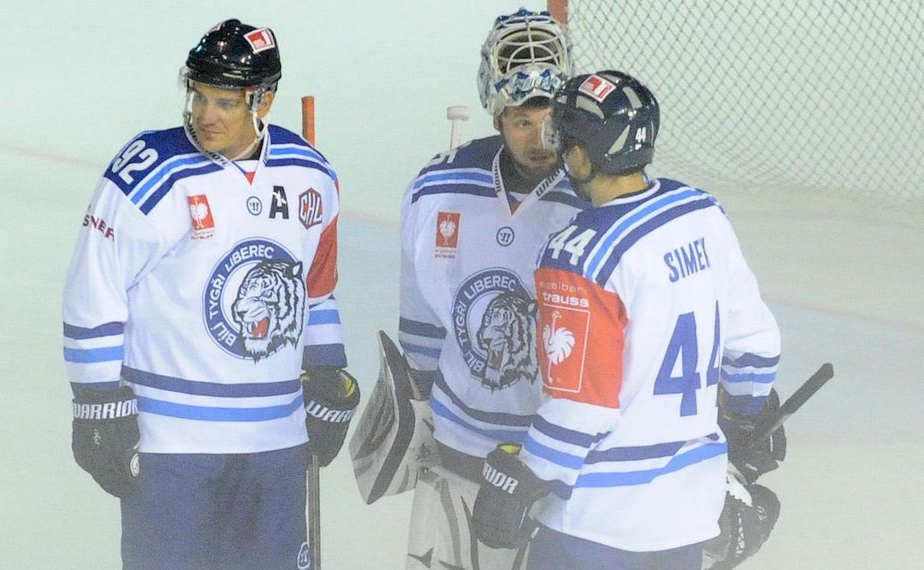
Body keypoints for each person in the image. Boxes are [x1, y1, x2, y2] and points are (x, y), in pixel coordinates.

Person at [62, 19, 359, 570]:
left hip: (275, 442)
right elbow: (94, 290)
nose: (205, 114)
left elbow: (316, 290)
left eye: (224, 102)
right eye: (198, 96)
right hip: (171, 446)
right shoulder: (150, 170)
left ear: (262, 100)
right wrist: (96, 401)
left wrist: (326, 370)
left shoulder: (310, 174)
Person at [471, 70, 784, 569]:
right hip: (689, 516)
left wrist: (525, 474)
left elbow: (582, 409)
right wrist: (749, 416)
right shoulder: (700, 212)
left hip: (598, 523)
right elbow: (757, 345)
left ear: (580, 155)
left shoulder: (580, 254)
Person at [396, 8, 588, 569]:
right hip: (461, 450)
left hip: (556, 464)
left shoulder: (595, 197)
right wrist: (417, 411)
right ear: (496, 112)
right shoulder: (439, 186)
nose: (538, 138)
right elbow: (422, 327)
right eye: (520, 120)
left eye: (549, 119)